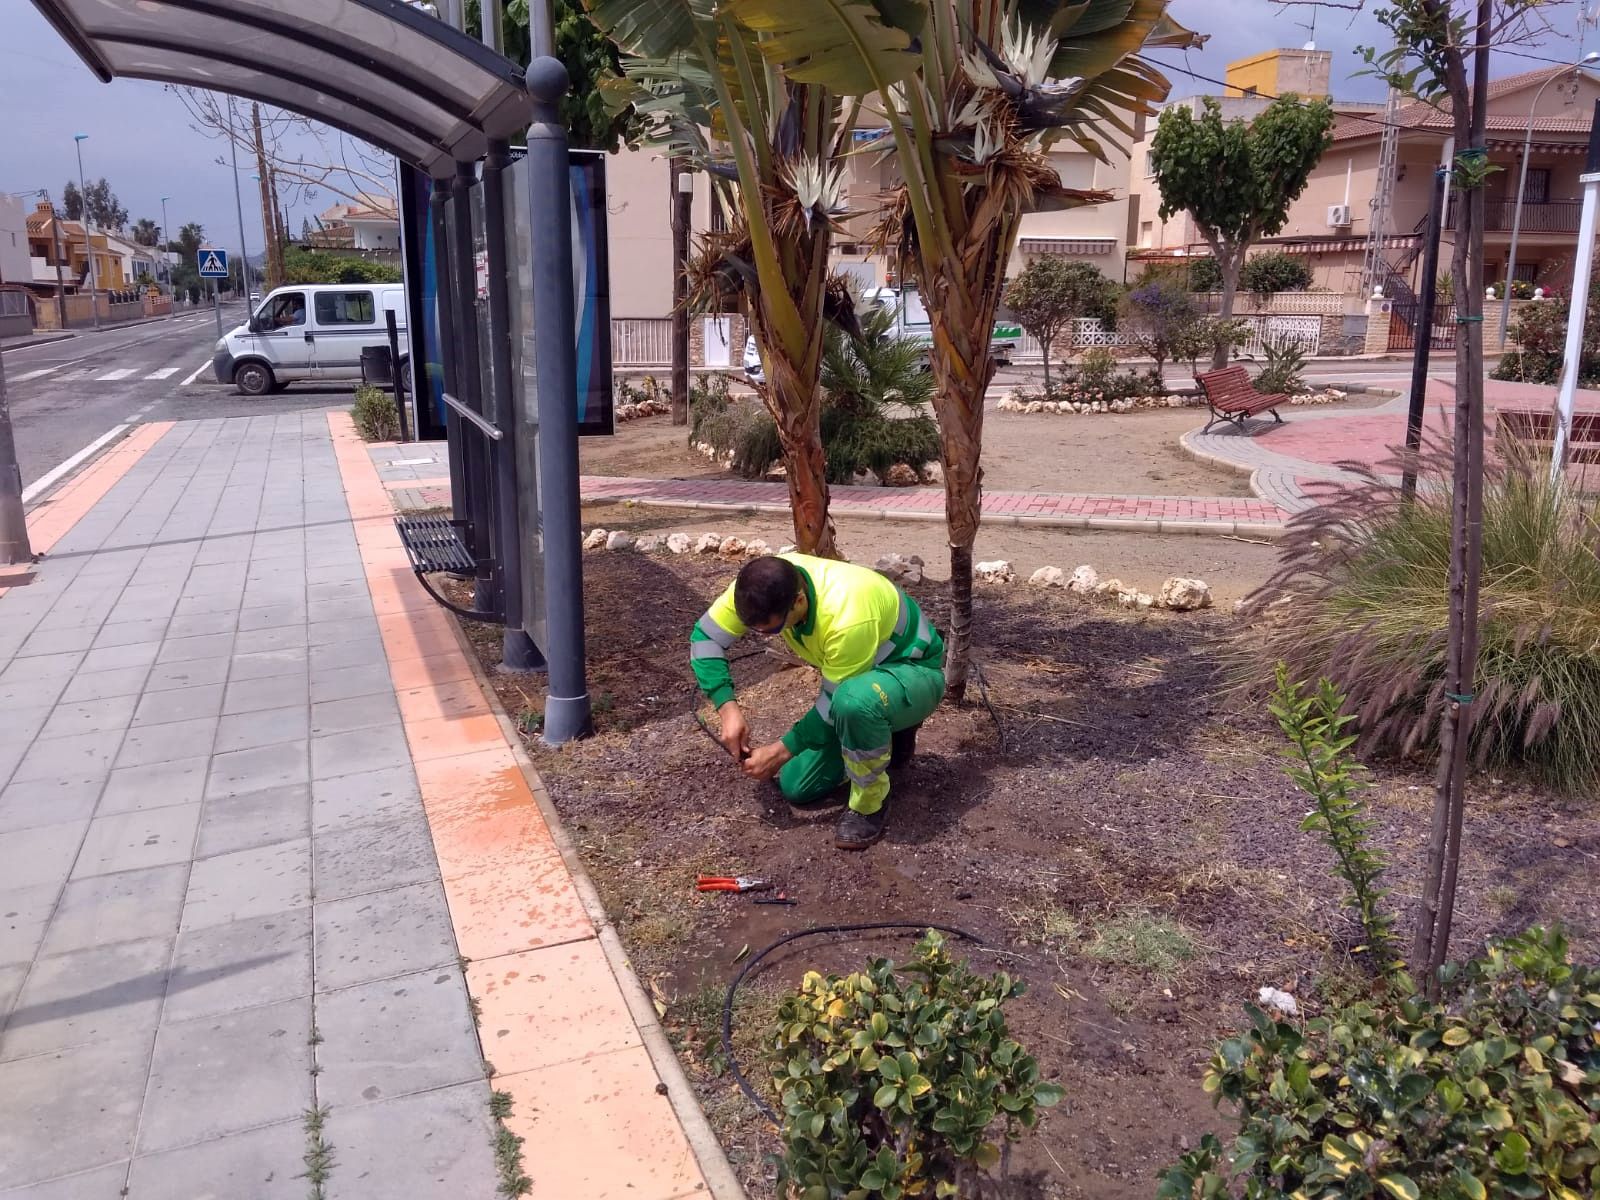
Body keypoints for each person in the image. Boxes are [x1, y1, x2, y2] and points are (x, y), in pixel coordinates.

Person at [690, 553, 945, 850]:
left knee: (853, 702)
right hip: (864, 679)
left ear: (798, 601)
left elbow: (833, 700)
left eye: (772, 629)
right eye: (755, 630)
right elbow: (705, 638)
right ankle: (887, 731)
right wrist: (727, 709)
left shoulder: (847, 614)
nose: (768, 635)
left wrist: (778, 752)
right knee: (797, 786)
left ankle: (871, 803)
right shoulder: (757, 588)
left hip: (915, 671)